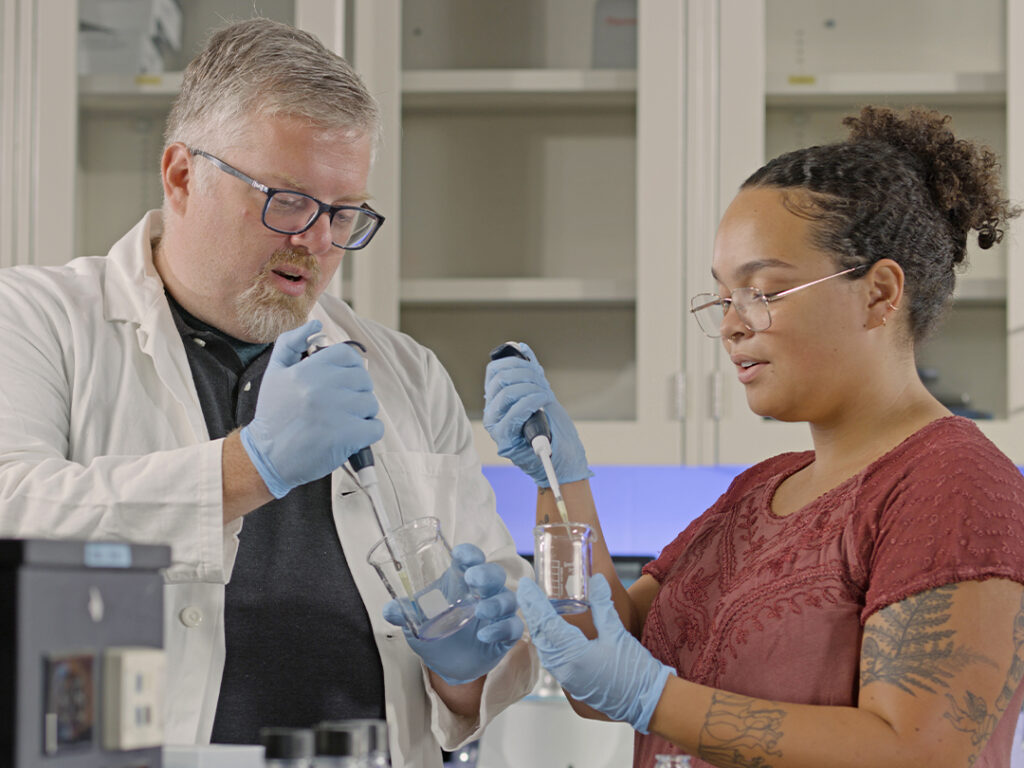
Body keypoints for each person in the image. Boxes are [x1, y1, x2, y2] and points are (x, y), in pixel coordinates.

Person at [0, 18, 536, 766]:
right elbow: (14, 510)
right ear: (182, 175)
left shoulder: (407, 374)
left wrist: (467, 666)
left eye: (344, 212)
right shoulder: (33, 319)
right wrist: (249, 467)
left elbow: (489, 670)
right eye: (287, 200)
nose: (317, 241)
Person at [483, 105, 1024, 767]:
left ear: (880, 294)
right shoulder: (758, 491)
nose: (732, 326)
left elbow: (920, 753)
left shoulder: (951, 481)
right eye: (723, 298)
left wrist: (654, 700)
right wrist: (558, 485)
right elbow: (603, 676)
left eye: (764, 291)